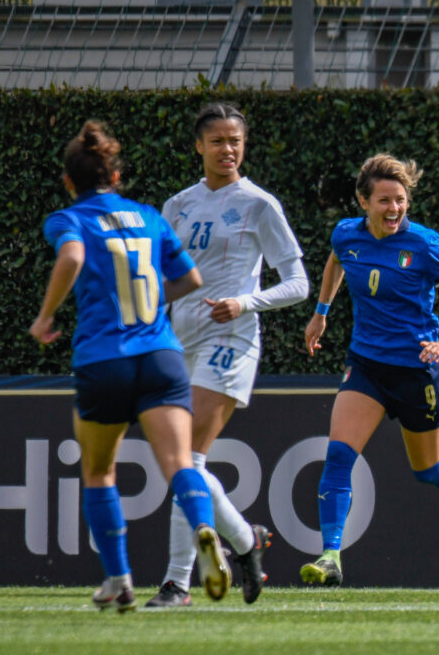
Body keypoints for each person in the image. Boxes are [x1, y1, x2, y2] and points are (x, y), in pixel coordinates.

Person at [29, 120, 231, 612]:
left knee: (99, 471)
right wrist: (152, 303)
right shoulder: (148, 217)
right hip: (161, 356)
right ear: (117, 178)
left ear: (69, 182)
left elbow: (73, 258)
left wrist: (46, 314)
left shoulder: (68, 218)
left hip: (105, 360)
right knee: (181, 465)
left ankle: (119, 580)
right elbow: (192, 278)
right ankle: (205, 531)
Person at [146, 102, 310, 608]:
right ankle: (245, 540)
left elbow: (299, 283)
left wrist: (244, 302)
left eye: (235, 140)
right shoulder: (178, 205)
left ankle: (177, 584)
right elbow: (164, 280)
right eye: (216, 140)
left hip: (231, 341)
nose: (227, 149)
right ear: (199, 146)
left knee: (186, 459)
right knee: (183, 464)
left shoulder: (259, 204)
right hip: (180, 343)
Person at [299, 153, 439, 587]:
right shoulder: (347, 234)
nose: (394, 209)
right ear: (363, 202)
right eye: (384, 200)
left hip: (417, 372)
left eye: (400, 200)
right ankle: (330, 556)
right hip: (366, 365)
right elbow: (336, 260)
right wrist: (321, 313)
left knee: (428, 469)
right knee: (340, 455)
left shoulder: (425, 244)